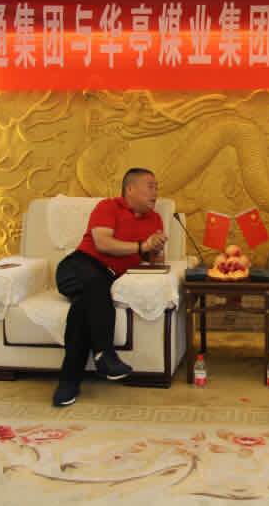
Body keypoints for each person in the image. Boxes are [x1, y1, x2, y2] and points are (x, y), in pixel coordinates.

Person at [52, 168, 168, 407]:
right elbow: (102, 243)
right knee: (95, 286)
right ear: (130, 189)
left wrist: (156, 248)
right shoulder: (108, 206)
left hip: (104, 280)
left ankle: (69, 381)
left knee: (84, 305)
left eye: (156, 187)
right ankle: (105, 353)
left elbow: (155, 262)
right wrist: (142, 246)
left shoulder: (155, 219)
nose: (155, 192)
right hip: (78, 266)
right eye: (150, 186)